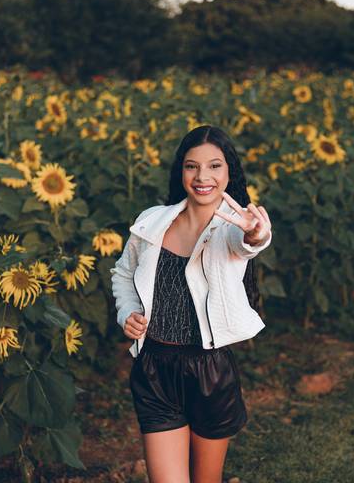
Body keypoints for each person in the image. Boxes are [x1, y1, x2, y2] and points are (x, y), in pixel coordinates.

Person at [110, 125, 273, 482]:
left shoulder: (229, 230)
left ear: (229, 172)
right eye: (191, 166)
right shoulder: (151, 221)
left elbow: (249, 242)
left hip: (209, 372)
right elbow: (123, 274)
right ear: (180, 171)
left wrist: (255, 232)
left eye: (214, 166)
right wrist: (128, 313)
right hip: (154, 369)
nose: (202, 177)